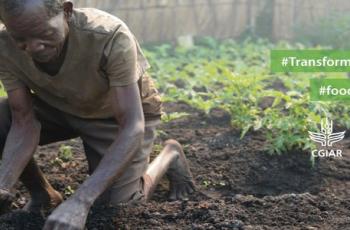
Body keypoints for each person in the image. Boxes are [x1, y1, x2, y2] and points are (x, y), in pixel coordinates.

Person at [0, 0, 196, 229]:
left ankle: (169, 155)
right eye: (20, 39)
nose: (33, 48)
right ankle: (43, 195)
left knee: (115, 206)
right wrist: (3, 185)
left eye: (44, 33)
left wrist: (81, 200)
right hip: (59, 104)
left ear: (66, 11)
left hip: (114, 115)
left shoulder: (109, 36)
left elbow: (132, 125)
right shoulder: (4, 45)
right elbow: (23, 121)